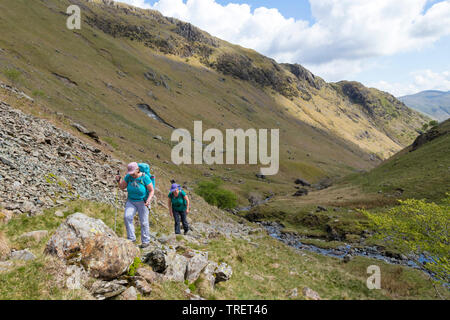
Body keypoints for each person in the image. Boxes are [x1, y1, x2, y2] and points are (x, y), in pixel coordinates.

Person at [116, 162, 154, 248]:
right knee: (127, 217)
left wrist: (148, 200)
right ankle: (131, 239)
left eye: (133, 173)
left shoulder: (145, 177)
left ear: (138, 170)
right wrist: (119, 181)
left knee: (144, 222)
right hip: (131, 201)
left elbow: (151, 190)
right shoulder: (128, 177)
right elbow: (122, 187)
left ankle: (145, 241)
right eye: (130, 173)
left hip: (143, 202)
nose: (132, 174)